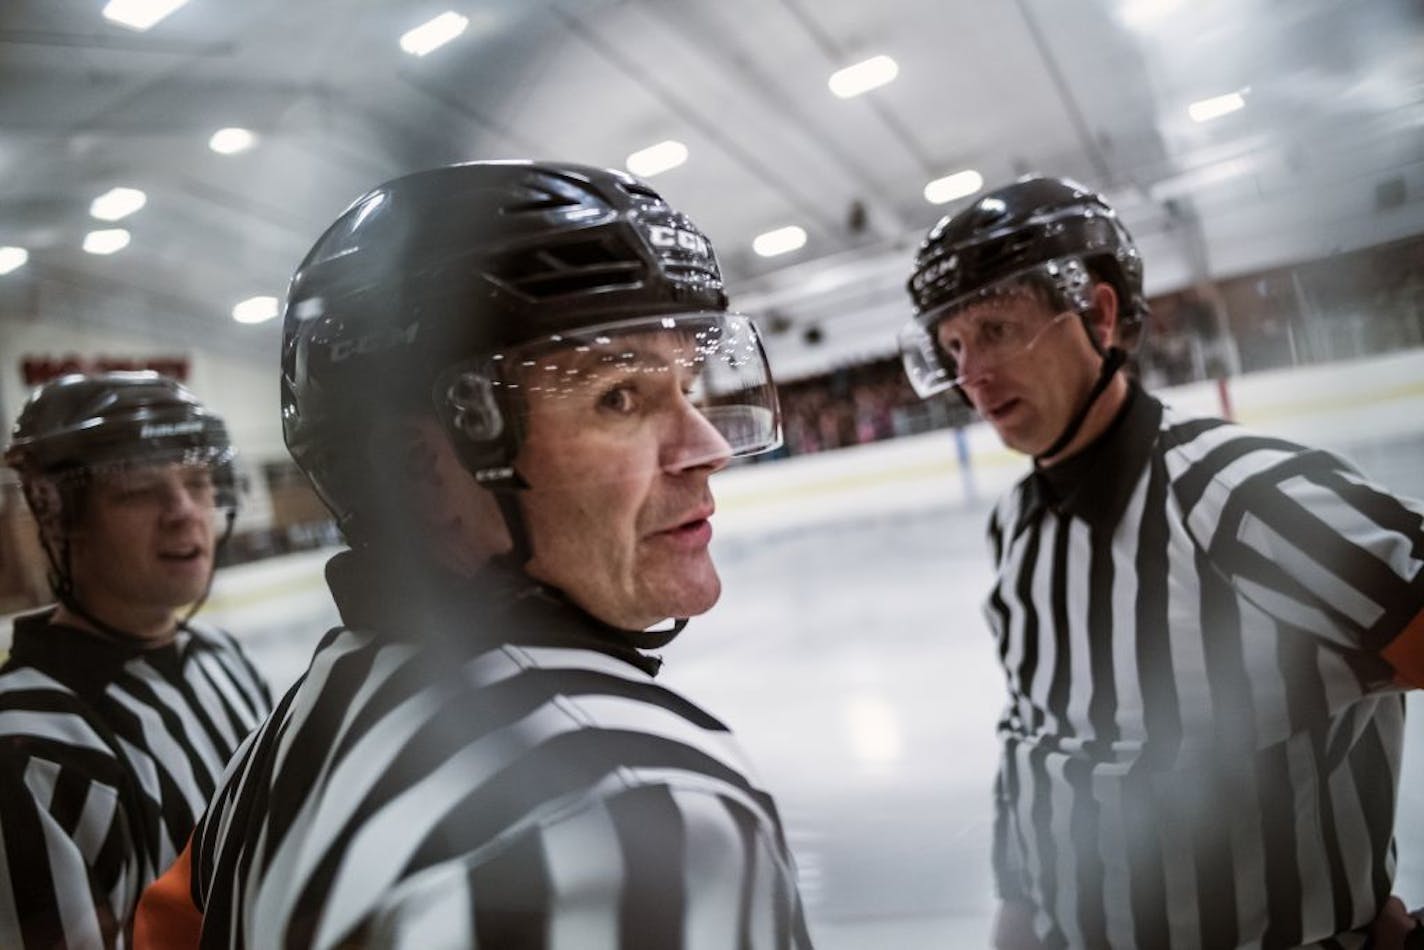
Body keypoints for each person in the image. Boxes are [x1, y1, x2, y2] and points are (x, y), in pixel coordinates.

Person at [136, 160, 813, 949]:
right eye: (618, 397)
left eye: (687, 387)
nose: (705, 449)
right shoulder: (633, 802)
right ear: (413, 469)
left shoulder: (296, 731)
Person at [898, 175, 1424, 949]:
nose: (971, 372)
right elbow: (1038, 740)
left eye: (998, 329)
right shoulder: (1017, 524)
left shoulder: (1244, 494)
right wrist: (1017, 919)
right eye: (953, 346)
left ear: (1099, 314)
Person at [0, 372, 273, 948]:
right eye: (138, 491)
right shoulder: (26, 748)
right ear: (55, 516)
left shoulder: (223, 659)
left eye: (198, 482)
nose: (183, 512)